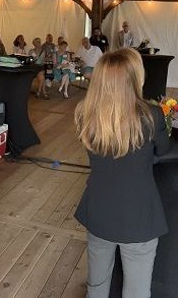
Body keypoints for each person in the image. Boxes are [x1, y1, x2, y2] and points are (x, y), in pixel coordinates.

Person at [73, 48, 169, 298]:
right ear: (135, 78)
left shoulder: (86, 115)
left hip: (98, 211)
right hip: (139, 216)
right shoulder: (152, 116)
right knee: (137, 291)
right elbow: (163, 149)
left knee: (97, 285)